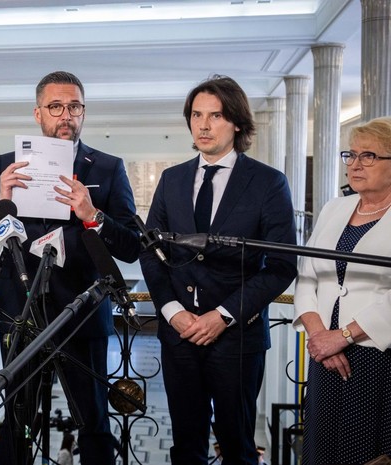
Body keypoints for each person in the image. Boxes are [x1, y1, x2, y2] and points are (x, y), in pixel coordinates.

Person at [0, 70, 140, 465]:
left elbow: (132, 246)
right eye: (56, 107)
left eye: (74, 107)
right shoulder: (7, 165)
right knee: (17, 419)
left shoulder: (108, 167)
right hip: (20, 311)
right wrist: (1, 201)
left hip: (83, 313)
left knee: (94, 420)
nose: (66, 115)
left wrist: (93, 215)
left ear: (83, 112)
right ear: (38, 113)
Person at [140, 75, 297, 464]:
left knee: (237, 447)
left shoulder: (268, 182)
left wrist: (223, 315)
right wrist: (172, 312)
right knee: (186, 447)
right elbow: (150, 251)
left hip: (237, 337)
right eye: (197, 115)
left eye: (216, 116)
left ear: (237, 123)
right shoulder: (172, 179)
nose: (204, 125)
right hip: (179, 335)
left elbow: (281, 266)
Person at [293, 116, 391, 464]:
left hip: (376, 356)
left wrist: (344, 336)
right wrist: (320, 336)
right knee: (320, 449)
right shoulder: (334, 208)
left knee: (363, 451)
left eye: (369, 156)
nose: (355, 164)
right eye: (351, 155)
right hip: (325, 354)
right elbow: (306, 274)